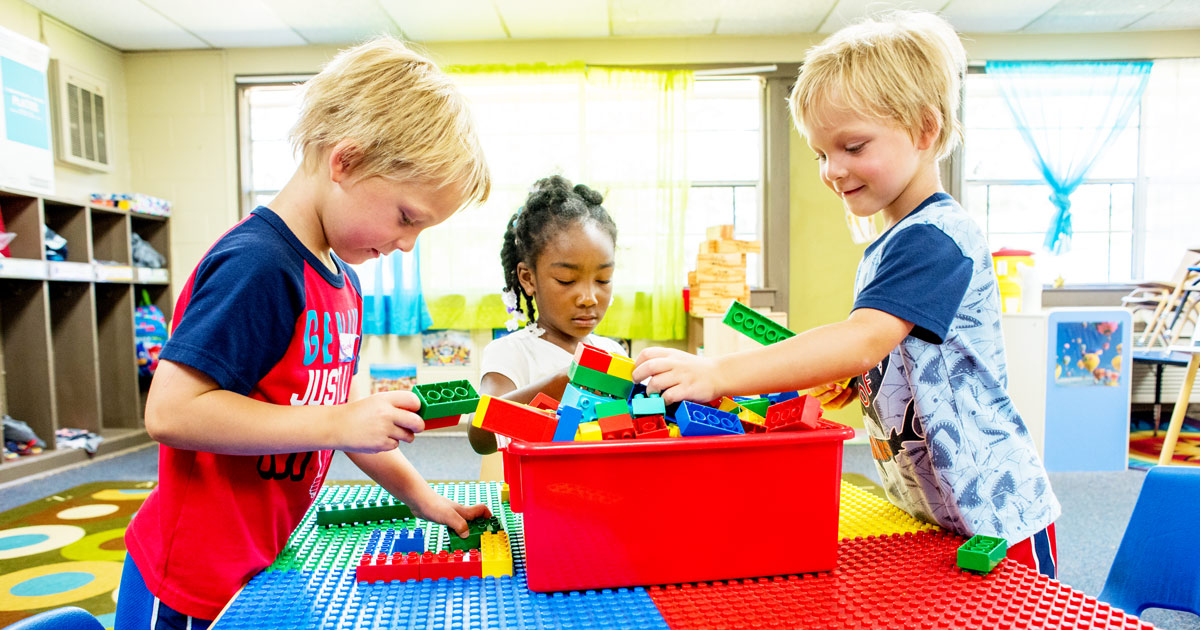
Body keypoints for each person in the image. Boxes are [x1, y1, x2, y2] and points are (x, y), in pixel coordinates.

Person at [632, 11, 1061, 577]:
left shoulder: (933, 239)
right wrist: (865, 378)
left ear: (924, 131)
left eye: (853, 146)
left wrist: (717, 373)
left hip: (998, 517)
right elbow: (888, 348)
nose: (833, 170)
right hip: (937, 511)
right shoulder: (893, 242)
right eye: (820, 154)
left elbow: (862, 338)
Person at [116, 37, 493, 629]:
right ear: (344, 160)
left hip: (261, 556)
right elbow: (170, 412)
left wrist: (423, 496)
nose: (405, 243)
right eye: (405, 217)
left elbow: (341, 420)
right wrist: (337, 421)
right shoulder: (259, 266)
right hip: (197, 577)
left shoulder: (342, 280)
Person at [467, 175, 625, 467]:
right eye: (567, 280)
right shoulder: (511, 353)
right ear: (528, 278)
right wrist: (562, 381)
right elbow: (481, 435)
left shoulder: (614, 352)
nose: (589, 297)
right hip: (542, 497)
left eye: (603, 279)